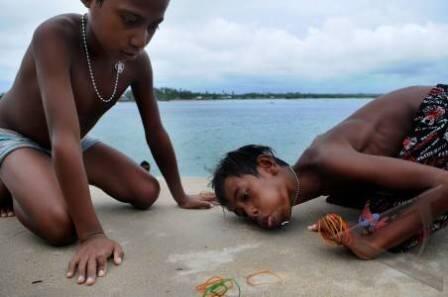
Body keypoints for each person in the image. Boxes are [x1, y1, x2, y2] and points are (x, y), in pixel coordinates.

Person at [0, 0, 215, 286]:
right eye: (129, 20)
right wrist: (91, 235)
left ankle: (39, 174)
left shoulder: (137, 63)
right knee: (60, 225)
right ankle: (13, 185)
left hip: (69, 139)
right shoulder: (54, 36)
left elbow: (155, 130)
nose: (141, 39)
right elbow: (62, 137)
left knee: (146, 191)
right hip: (15, 134)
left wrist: (180, 195)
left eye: (153, 26)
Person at [212, 84, 448, 260]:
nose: (251, 211)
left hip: (438, 109)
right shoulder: (329, 185)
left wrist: (373, 243)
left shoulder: (327, 157)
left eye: (245, 196)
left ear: (267, 165)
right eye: (242, 213)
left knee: (377, 223)